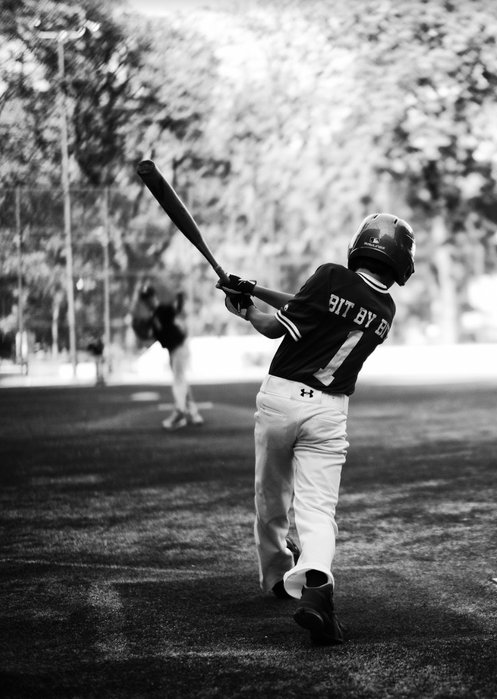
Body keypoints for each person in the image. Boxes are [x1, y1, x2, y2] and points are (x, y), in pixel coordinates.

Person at [218, 213, 415, 646]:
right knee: (317, 512)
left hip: (281, 400)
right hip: (329, 413)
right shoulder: (386, 310)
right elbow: (315, 304)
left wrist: (247, 308)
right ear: (401, 262)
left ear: (359, 245)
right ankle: (317, 590)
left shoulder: (329, 276)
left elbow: (276, 325)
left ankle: (274, 577)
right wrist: (252, 286)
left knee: (270, 494)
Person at [137, 285, 203, 431]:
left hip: (179, 347)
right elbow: (154, 337)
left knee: (178, 381)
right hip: (173, 351)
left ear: (153, 297)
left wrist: (179, 297)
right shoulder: (153, 317)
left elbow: (176, 309)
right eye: (145, 299)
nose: (148, 301)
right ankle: (193, 413)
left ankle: (180, 412)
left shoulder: (162, 310)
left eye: (149, 298)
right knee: (182, 381)